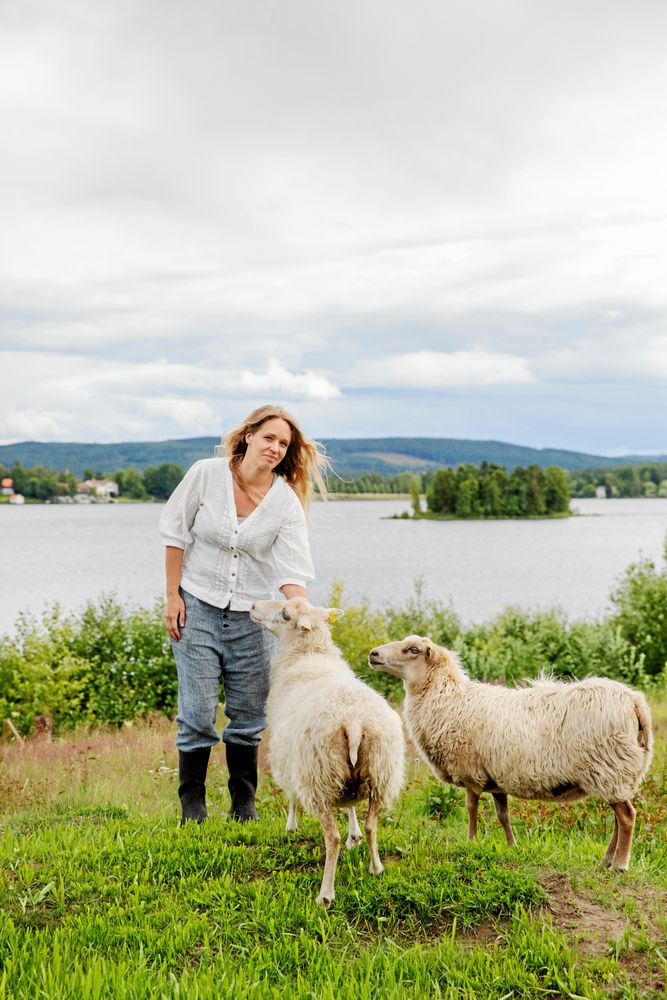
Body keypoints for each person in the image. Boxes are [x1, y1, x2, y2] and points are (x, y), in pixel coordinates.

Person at [159, 404, 329, 824]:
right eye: (269, 437)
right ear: (248, 435)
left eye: (283, 443)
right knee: (196, 712)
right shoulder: (205, 474)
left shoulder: (284, 502)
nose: (275, 448)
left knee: (249, 714)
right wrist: (171, 596)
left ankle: (243, 804)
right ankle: (192, 806)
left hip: (252, 620)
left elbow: (292, 572)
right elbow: (174, 534)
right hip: (195, 605)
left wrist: (305, 620)